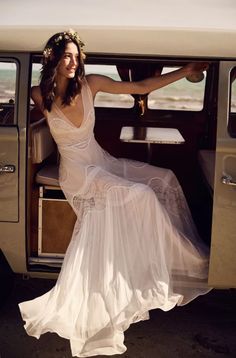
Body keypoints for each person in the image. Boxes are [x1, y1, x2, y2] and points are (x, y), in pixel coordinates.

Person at [19, 29, 211, 357]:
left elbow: (140, 87)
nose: (73, 62)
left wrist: (185, 71)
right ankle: (171, 265)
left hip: (99, 160)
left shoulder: (90, 83)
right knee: (142, 196)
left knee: (164, 178)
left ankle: (174, 257)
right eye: (66, 55)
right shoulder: (39, 94)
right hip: (78, 173)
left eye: (77, 56)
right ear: (52, 57)